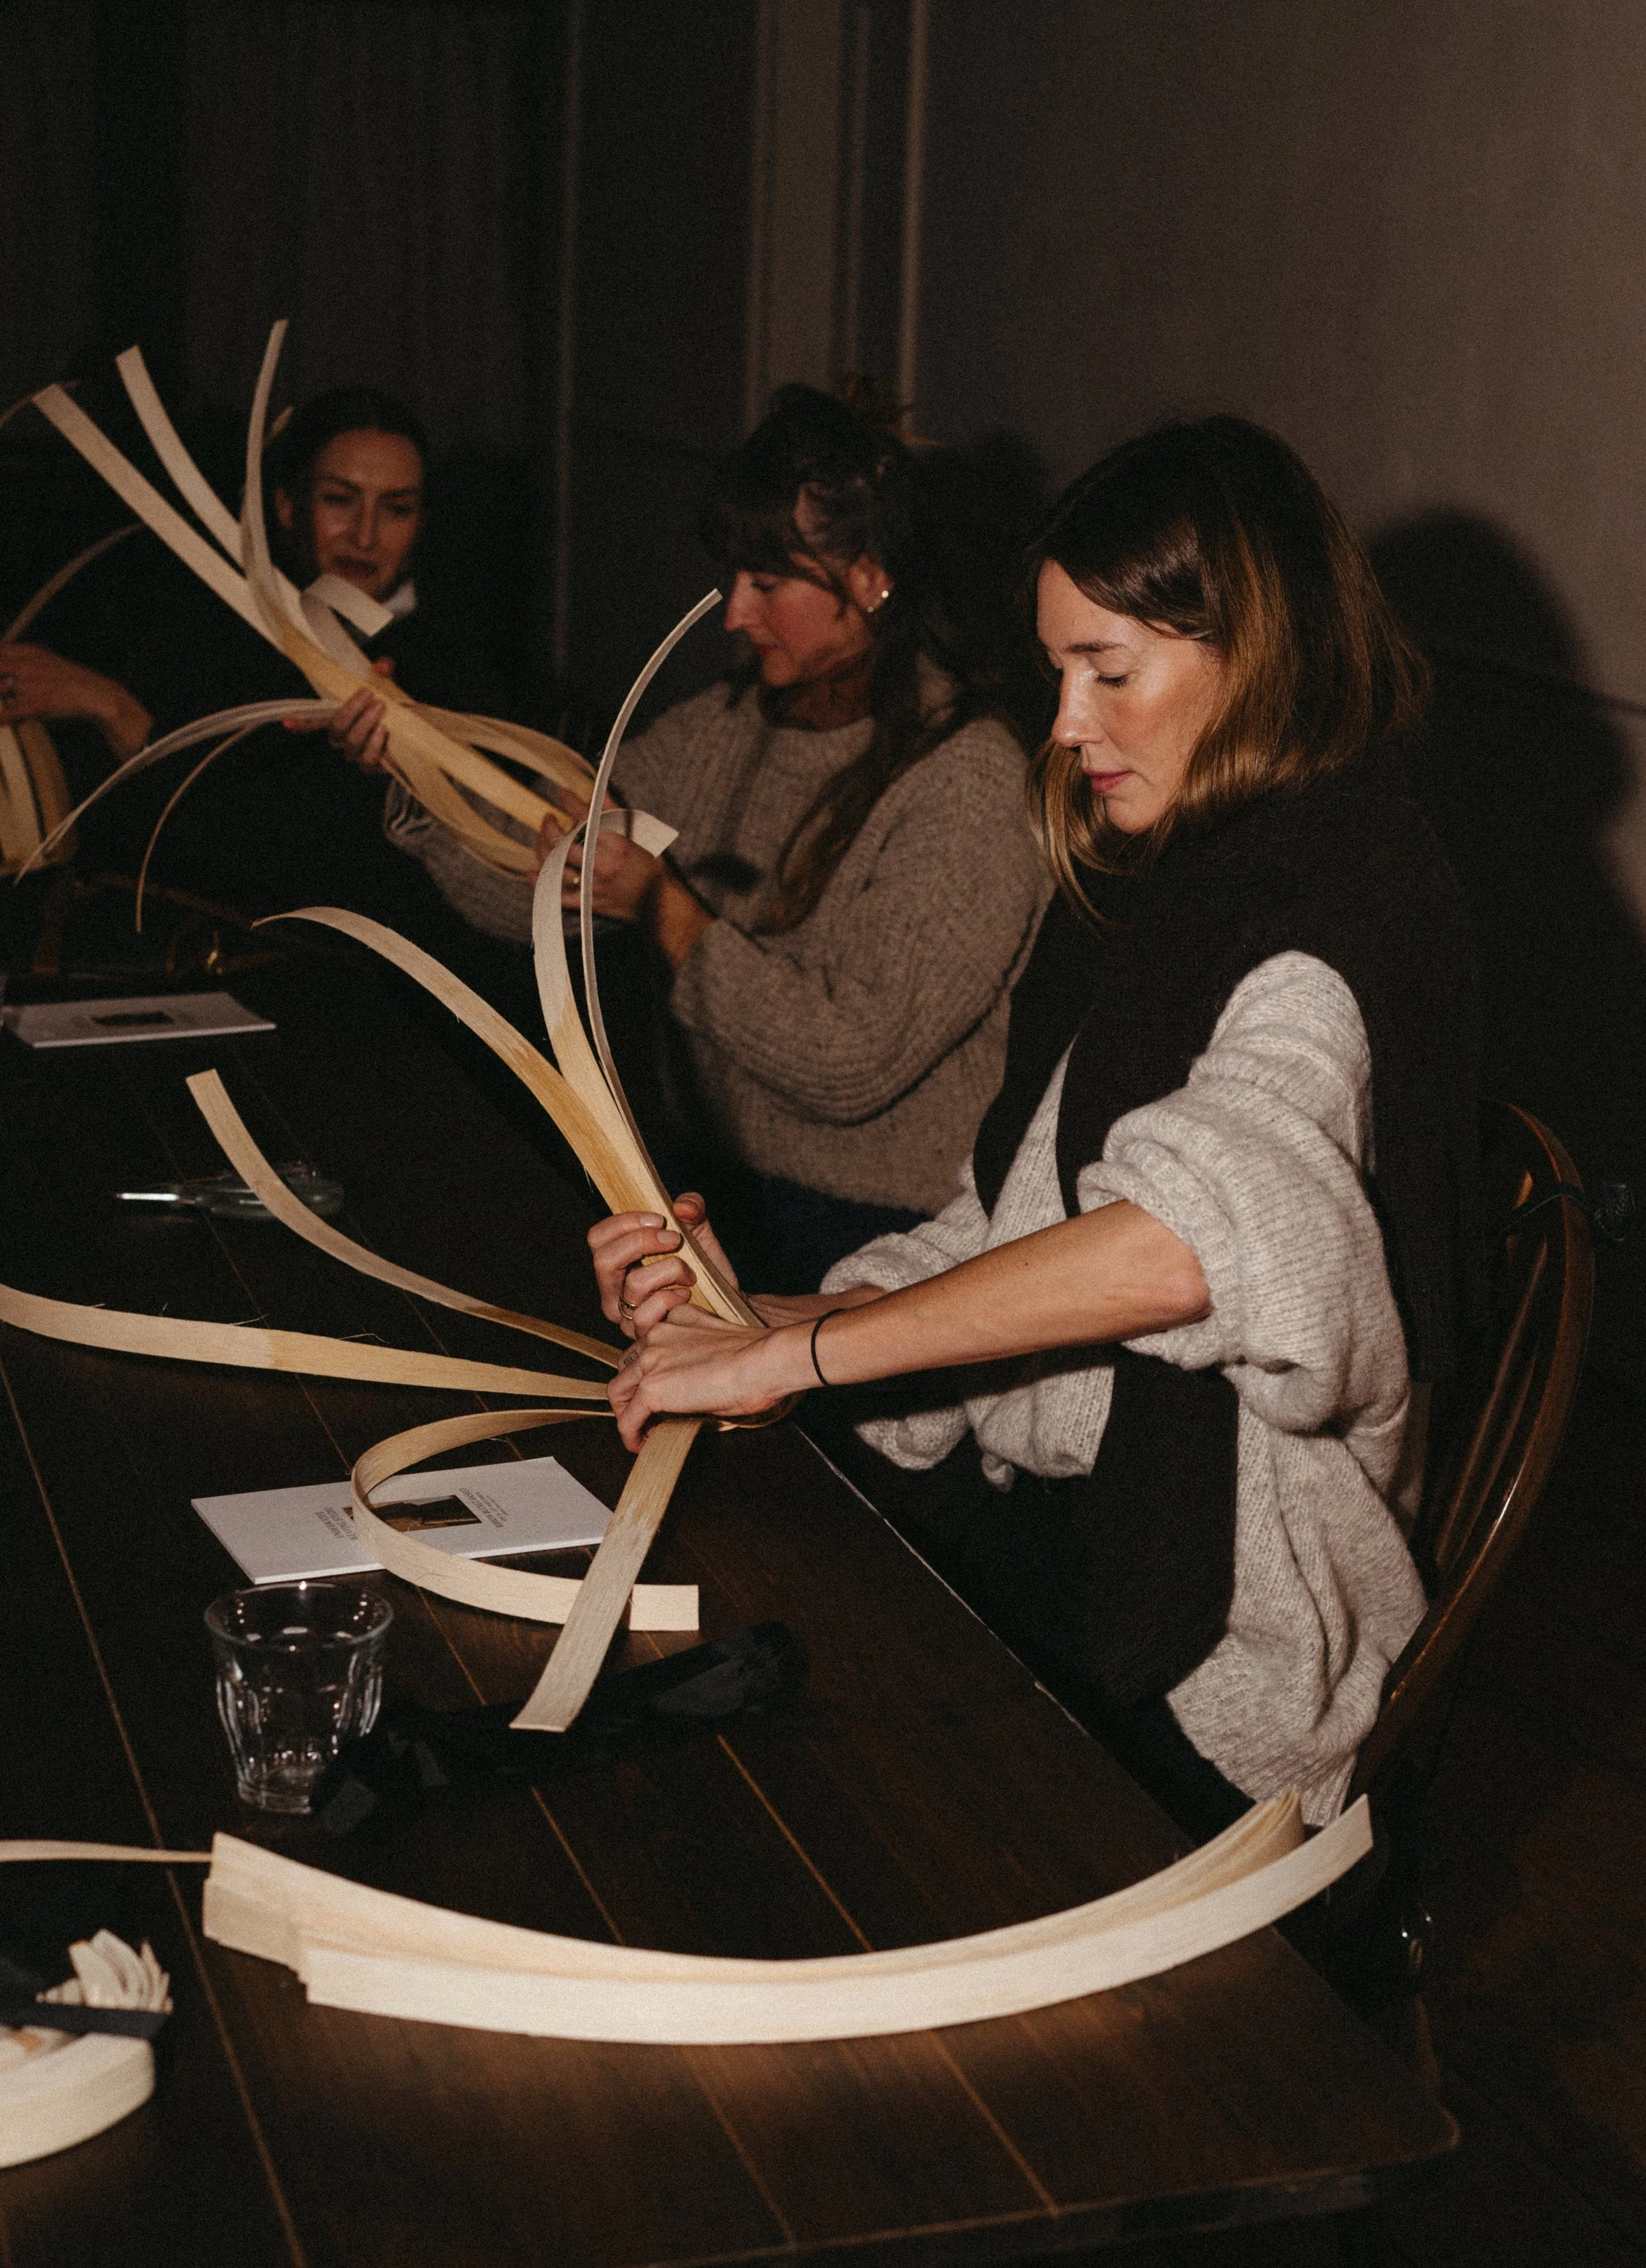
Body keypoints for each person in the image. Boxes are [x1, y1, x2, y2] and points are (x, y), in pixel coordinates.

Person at [588, 415, 1485, 1839]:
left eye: (1106, 670)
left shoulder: (1327, 919)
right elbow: (1005, 1211)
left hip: (1214, 1650)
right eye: (1059, 667)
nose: (1064, 723)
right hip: (1066, 1525)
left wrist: (799, 1353)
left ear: (1252, 654)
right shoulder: (1177, 874)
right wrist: (770, 1312)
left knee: (757, 1794)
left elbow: (1186, 1246)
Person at [336, 386, 1053, 1288]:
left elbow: (848, 1061)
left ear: (870, 577)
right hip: (711, 1194)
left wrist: (665, 909)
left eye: (769, 582)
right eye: (734, 578)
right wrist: (418, 768)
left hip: (893, 1242)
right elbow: (530, 890)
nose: (734, 616)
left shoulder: (972, 779)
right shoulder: (722, 728)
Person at [0, 384, 509, 914]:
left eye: (396, 509)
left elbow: (274, 855)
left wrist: (114, 709)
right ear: (287, 506)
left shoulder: (452, 668)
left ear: (421, 524)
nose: (364, 535)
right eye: (339, 499)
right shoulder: (211, 627)